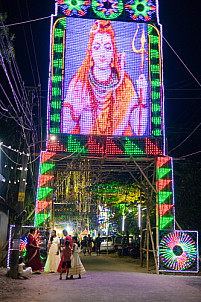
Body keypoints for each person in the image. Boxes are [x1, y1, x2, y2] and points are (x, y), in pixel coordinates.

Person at [62, 20, 148, 136]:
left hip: (119, 151)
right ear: (90, 51)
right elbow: (64, 130)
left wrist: (142, 97)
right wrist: (75, 112)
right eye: (97, 47)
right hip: (82, 151)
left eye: (107, 48)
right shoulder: (79, 83)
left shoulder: (124, 84)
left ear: (113, 52)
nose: (102, 53)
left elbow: (139, 131)